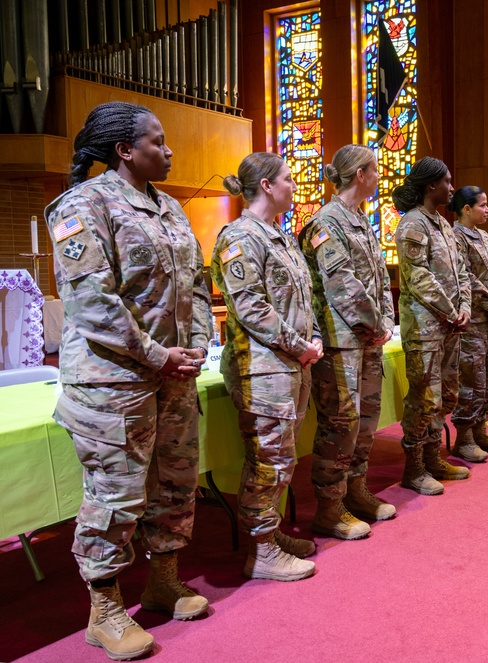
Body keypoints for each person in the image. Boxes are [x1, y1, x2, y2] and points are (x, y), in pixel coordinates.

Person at [45, 101, 211, 660]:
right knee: (115, 496)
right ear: (124, 150)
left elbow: (198, 281)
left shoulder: (169, 208)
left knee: (174, 482)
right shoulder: (80, 206)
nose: (169, 151)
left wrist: (199, 342)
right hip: (113, 383)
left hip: (172, 378)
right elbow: (91, 300)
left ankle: (163, 582)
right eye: (158, 142)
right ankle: (105, 609)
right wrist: (158, 354)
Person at [212, 152, 323, 580]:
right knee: (267, 460)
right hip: (263, 368)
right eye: (289, 180)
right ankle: (260, 551)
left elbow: (301, 298)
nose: (295, 187)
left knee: (283, 459)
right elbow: (251, 307)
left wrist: (309, 341)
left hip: (290, 363)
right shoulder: (239, 237)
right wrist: (300, 346)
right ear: (266, 186)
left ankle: (270, 536)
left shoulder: (278, 236)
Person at [298, 145, 396, 539]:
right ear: (359, 174)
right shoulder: (326, 223)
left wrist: (385, 320)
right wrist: (374, 322)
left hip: (367, 339)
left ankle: (356, 491)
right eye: (375, 171)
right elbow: (342, 285)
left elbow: (380, 277)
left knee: (366, 423)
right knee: (341, 425)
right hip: (341, 341)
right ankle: (329, 506)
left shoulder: (359, 219)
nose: (378, 177)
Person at [393, 157, 472, 494]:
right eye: (447, 182)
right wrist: (450, 310)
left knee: (447, 396)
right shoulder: (413, 224)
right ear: (431, 186)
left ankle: (434, 458)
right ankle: (414, 469)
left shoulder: (442, 224)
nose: (452, 188)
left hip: (450, 326)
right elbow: (418, 277)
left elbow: (463, 272)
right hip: (426, 328)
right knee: (424, 399)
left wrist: (464, 306)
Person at [448, 186, 488, 463]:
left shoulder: (484, 236)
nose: (487, 210)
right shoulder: (455, 237)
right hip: (471, 320)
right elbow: (465, 278)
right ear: (466, 209)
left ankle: (480, 428)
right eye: (482, 205)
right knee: (471, 379)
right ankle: (464, 438)